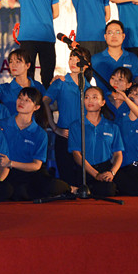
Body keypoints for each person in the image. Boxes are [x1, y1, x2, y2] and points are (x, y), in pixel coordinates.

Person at [0, 87, 70, 201]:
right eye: (20, 98)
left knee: (50, 186)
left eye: (27, 100)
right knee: (12, 191)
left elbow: (36, 165)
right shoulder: (1, 125)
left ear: (36, 107)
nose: (21, 102)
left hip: (31, 172)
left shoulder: (39, 133)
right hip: (8, 171)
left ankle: (70, 188)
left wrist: (11, 162)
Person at [43, 47, 92, 182]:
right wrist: (54, 127)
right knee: (67, 178)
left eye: (78, 59)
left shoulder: (89, 88)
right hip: (65, 134)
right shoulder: (61, 82)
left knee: (83, 178)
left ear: (87, 64)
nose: (73, 62)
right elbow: (45, 102)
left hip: (84, 136)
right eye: (71, 58)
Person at [66, 86, 123, 197]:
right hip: (85, 170)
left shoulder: (112, 127)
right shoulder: (76, 126)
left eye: (94, 97)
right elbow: (76, 154)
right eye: (86, 97)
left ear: (103, 102)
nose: (90, 101)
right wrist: (96, 174)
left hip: (105, 169)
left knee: (111, 189)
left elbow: (118, 154)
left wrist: (112, 172)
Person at [90, 20, 138, 85]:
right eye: (110, 33)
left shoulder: (132, 58)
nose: (114, 36)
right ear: (105, 37)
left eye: (117, 32)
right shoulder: (95, 59)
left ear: (123, 36)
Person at [0, 49, 46, 113]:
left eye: (18, 62)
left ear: (27, 65)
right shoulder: (3, 89)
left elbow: (48, 106)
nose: (13, 65)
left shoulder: (38, 86)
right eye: (11, 62)